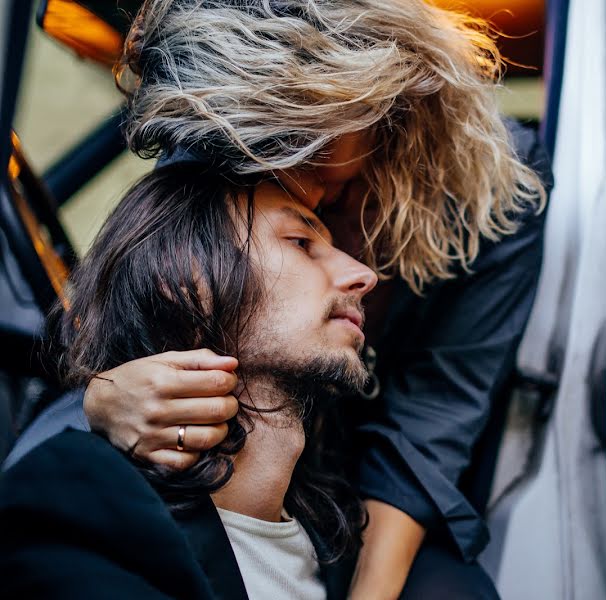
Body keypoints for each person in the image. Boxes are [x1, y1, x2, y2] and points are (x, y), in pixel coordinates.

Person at [11, 1, 553, 597]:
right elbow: (149, 295)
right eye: (265, 168)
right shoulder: (224, 124)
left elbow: (431, 418)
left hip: (362, 488)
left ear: (372, 93)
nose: (293, 182)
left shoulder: (494, 188)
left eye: (313, 155)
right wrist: (102, 399)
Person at [0, 165, 378, 599]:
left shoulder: (336, 546)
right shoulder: (74, 511)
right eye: (302, 243)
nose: (363, 275)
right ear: (186, 283)